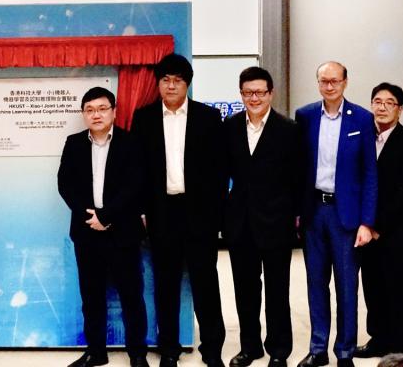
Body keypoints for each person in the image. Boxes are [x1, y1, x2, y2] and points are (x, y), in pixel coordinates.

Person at [131, 53, 228, 367]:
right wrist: (143, 211)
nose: (171, 86)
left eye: (177, 80)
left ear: (187, 84)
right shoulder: (143, 119)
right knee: (165, 284)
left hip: (199, 213)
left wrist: (214, 214)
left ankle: (212, 349)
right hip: (161, 214)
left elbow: (218, 171)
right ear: (158, 84)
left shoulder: (208, 118)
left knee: (205, 283)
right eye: (165, 80)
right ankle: (169, 350)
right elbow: (139, 172)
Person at [57, 87, 149, 367]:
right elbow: (65, 184)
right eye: (90, 110)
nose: (96, 114)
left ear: (114, 112)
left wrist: (106, 216)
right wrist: (90, 217)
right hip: (87, 234)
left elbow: (135, 186)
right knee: (91, 296)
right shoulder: (73, 144)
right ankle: (96, 353)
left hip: (122, 232)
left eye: (102, 108)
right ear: (84, 114)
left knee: (131, 295)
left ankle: (137, 354)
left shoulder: (131, 143)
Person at [294, 61, 377, 367]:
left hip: (347, 217)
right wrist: (297, 211)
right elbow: (299, 167)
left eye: (334, 81)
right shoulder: (305, 116)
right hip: (314, 211)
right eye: (323, 81)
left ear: (345, 82)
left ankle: (345, 351)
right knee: (316, 284)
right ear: (317, 83)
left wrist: (367, 221)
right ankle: (318, 350)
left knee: (346, 287)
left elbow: (370, 173)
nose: (329, 87)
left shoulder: (363, 119)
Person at [223, 67, 304, 367]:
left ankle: (279, 350)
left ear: (271, 93)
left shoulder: (289, 129)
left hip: (277, 222)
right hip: (240, 223)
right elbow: (221, 175)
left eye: (259, 92)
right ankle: (250, 347)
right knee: (245, 290)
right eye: (248, 92)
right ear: (241, 94)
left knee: (277, 291)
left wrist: (295, 218)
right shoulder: (229, 127)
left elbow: (298, 179)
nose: (254, 97)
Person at [356, 83, 403, 358]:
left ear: (400, 109)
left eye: (390, 102)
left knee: (399, 290)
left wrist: (376, 226)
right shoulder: (362, 139)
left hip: (397, 233)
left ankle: (402, 347)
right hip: (365, 231)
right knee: (373, 287)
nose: (382, 107)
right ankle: (378, 339)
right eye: (377, 101)